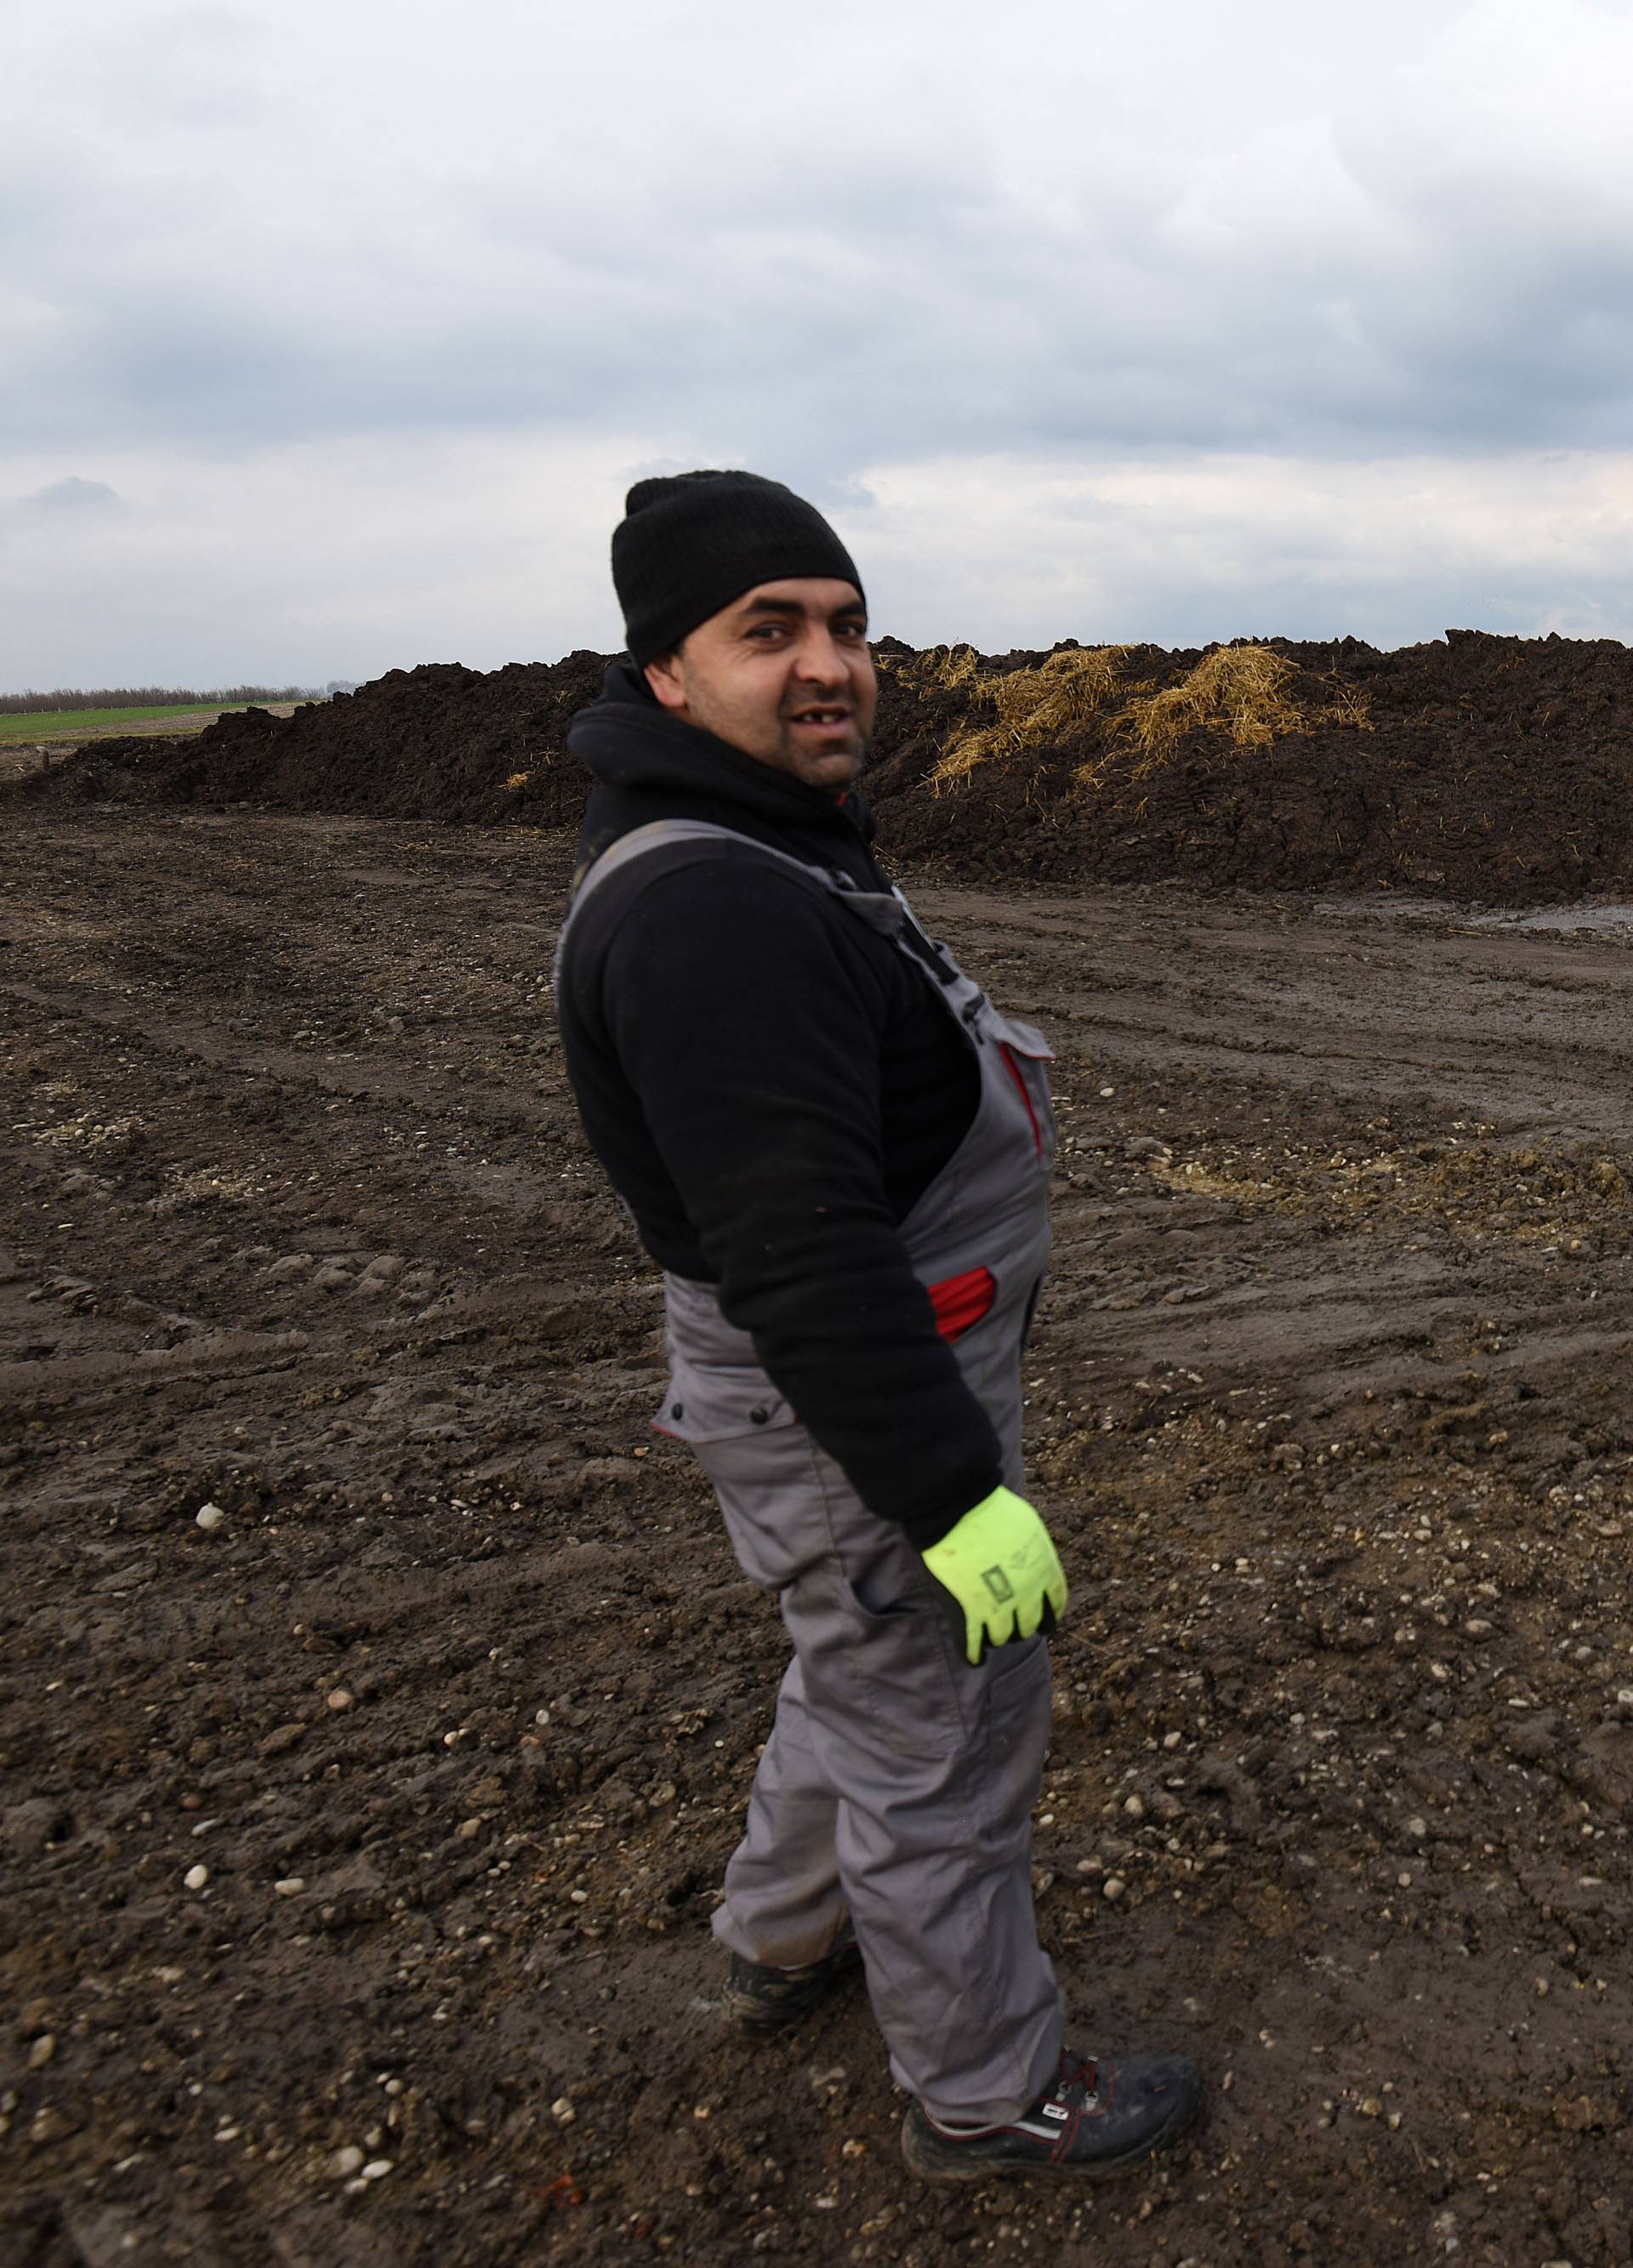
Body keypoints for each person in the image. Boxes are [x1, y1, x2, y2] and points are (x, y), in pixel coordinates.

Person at [554, 470, 1202, 2183]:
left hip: (857, 1393)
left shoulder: (769, 838)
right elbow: (802, 1251)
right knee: (944, 1726)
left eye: (846, 624)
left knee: (859, 1672)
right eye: (769, 630)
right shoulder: (712, 907)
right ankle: (988, 2089)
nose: (828, 662)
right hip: (855, 1405)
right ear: (669, 671)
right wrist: (951, 1495)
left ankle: (782, 1938)